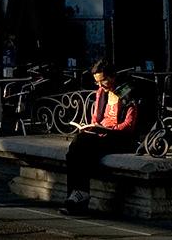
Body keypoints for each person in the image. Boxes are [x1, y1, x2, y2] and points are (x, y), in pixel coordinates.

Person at [61, 60, 143, 215]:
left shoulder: (125, 92)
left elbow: (129, 125)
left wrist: (109, 129)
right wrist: (91, 127)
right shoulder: (101, 92)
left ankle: (79, 196)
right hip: (102, 134)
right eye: (97, 82)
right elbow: (96, 118)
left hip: (121, 138)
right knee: (75, 147)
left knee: (80, 148)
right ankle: (77, 195)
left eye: (103, 81)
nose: (100, 86)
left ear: (113, 76)